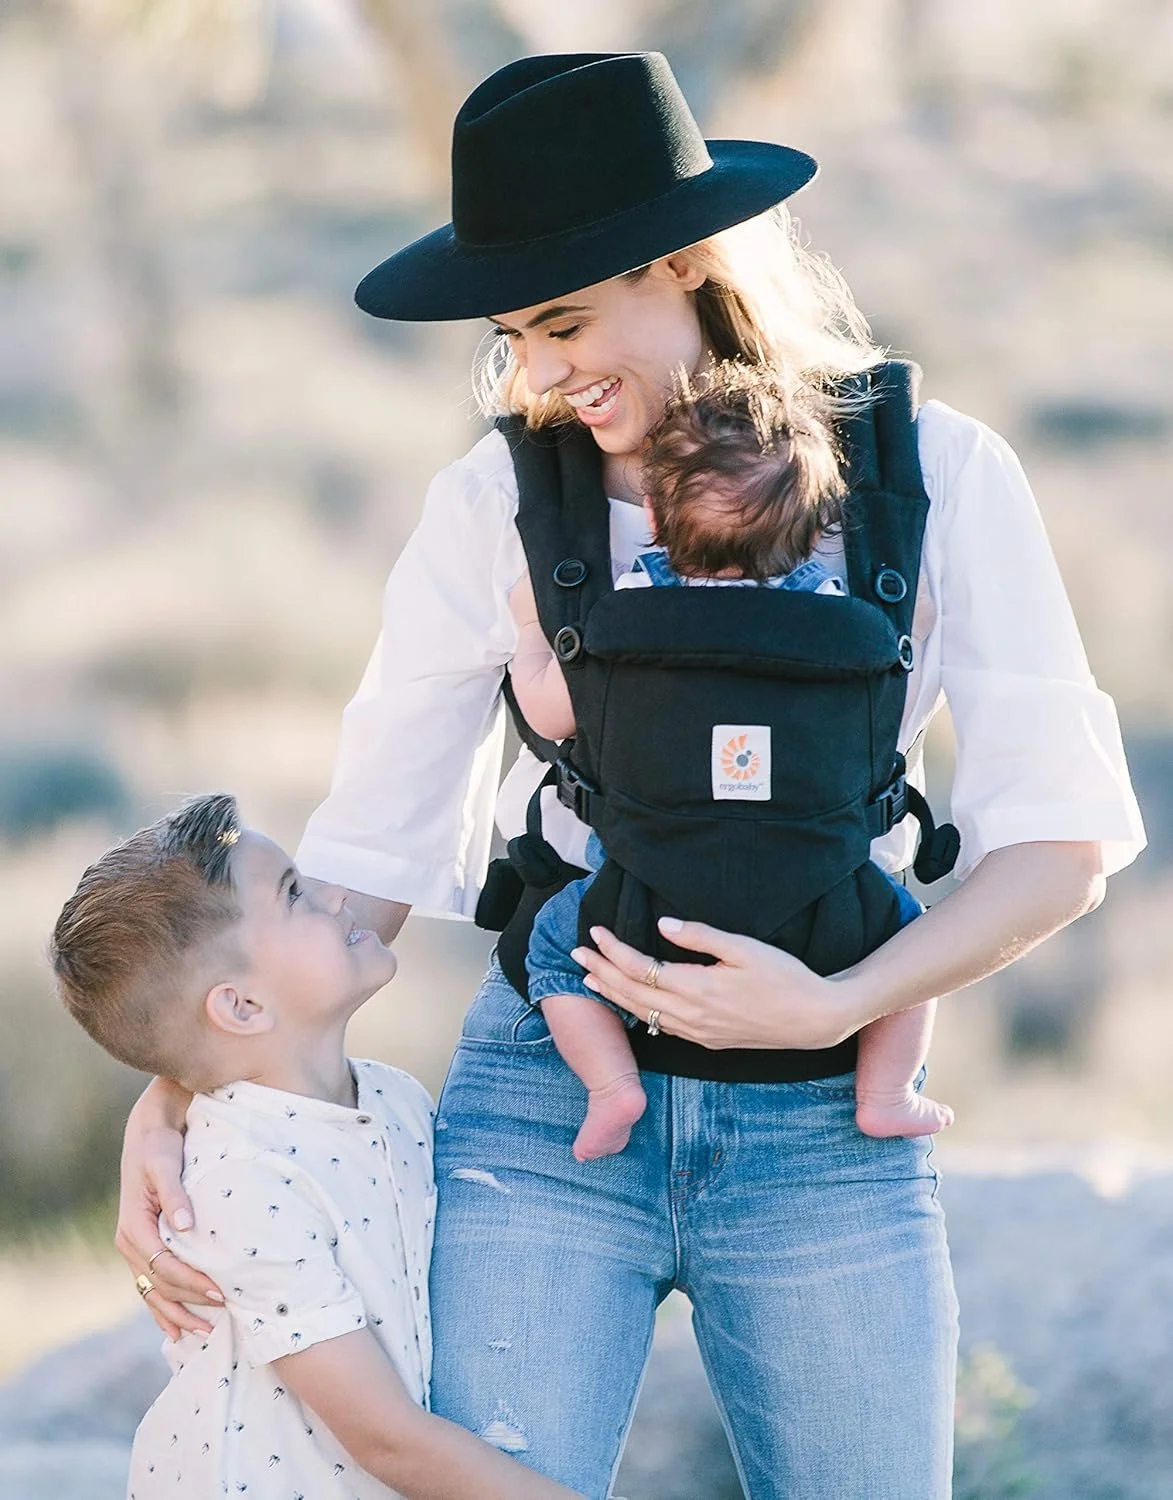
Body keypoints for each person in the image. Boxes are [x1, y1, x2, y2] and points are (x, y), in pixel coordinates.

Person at [112, 53, 1145, 1500]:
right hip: (546, 1111)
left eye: (566, 323)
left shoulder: (936, 477)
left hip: (828, 1126)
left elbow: (1059, 849)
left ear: (687, 265)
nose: (540, 375)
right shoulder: (492, 503)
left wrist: (840, 1003)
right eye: (516, 336)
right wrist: (183, 1093)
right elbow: (373, 846)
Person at [50, 793, 579, 1500]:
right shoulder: (244, 1181)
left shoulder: (392, 1096)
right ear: (242, 1006)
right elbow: (385, 1438)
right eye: (294, 893)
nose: (337, 896)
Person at [510, 361, 951, 1161]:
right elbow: (906, 653)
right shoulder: (843, 622)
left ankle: (612, 1088)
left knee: (548, 948)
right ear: (818, 530)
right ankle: (885, 1094)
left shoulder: (624, 620)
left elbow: (548, 711)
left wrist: (530, 637)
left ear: (651, 514)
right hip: (827, 913)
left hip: (641, 909)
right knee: (912, 946)